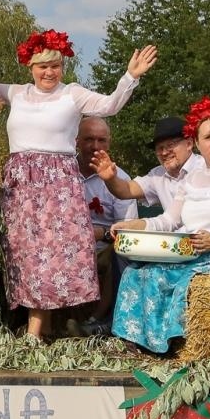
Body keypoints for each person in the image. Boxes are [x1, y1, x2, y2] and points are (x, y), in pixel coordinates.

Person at [0, 30, 157, 342]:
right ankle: (45, 329)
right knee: (23, 254)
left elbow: (110, 105)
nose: (49, 72)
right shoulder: (17, 92)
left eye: (55, 65)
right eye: (42, 66)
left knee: (50, 256)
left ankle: (34, 333)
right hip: (21, 184)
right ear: (30, 66)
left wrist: (130, 77)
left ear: (62, 67)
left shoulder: (72, 94)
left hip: (56, 185)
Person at [105, 98, 210, 354]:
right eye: (208, 137)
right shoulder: (191, 179)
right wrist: (132, 226)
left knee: (175, 280)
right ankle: (136, 343)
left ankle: (172, 345)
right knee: (137, 272)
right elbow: (169, 221)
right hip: (193, 253)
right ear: (197, 142)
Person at [75, 115, 136, 332]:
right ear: (76, 141)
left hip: (103, 249)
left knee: (121, 253)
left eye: (101, 140)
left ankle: (97, 321)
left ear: (109, 143)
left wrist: (101, 234)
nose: (95, 146)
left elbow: (129, 229)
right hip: (64, 247)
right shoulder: (63, 173)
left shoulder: (120, 179)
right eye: (89, 139)